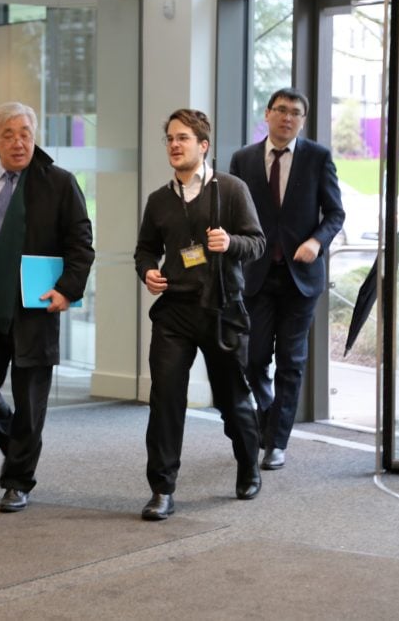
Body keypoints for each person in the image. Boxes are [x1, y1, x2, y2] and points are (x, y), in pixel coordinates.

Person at [0, 101, 94, 513]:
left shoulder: (58, 183)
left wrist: (68, 289)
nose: (18, 142)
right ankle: (19, 448)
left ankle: (17, 480)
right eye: (8, 134)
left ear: (35, 135)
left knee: (31, 400)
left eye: (25, 133)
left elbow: (81, 243)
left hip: (33, 310)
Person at [134, 109, 265, 520]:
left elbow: (257, 243)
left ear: (203, 146)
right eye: (170, 138)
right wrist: (148, 273)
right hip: (174, 313)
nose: (174, 145)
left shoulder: (231, 189)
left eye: (183, 138)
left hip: (221, 310)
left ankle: (248, 465)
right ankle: (162, 489)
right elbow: (144, 250)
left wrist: (230, 242)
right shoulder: (158, 200)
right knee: (166, 400)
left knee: (233, 401)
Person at [230, 88, 345, 471]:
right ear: (267, 114)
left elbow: (334, 214)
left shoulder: (318, 157)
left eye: (295, 112)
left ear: (302, 120)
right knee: (252, 359)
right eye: (281, 110)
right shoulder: (244, 159)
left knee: (291, 362)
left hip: (301, 276)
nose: (287, 117)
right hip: (257, 275)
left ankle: (276, 442)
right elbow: (232, 215)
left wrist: (316, 241)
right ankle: (267, 420)